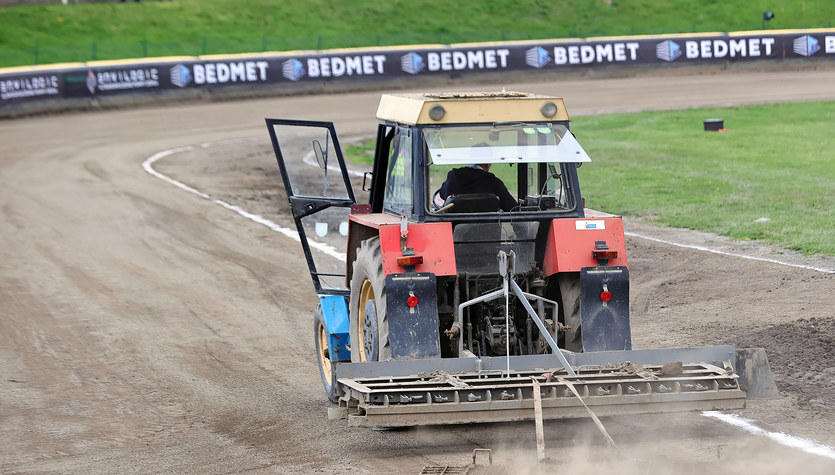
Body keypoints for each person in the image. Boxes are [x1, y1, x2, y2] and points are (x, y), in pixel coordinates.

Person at [436, 162, 517, 212]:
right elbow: (512, 209)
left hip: (454, 235)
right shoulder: (493, 182)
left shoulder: (453, 176)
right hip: (489, 235)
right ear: (488, 164)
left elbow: (442, 194)